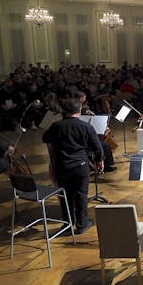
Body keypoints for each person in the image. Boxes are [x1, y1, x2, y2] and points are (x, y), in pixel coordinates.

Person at [42, 97, 104, 234]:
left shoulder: (57, 126)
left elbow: (45, 138)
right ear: (79, 109)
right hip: (80, 165)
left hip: (62, 165)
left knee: (65, 195)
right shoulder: (86, 126)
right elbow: (98, 148)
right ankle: (82, 224)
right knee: (81, 194)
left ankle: (67, 224)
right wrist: (100, 161)